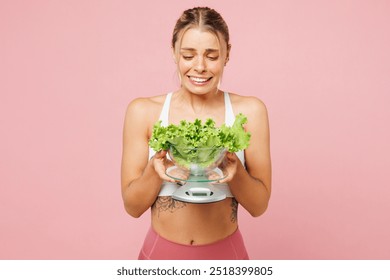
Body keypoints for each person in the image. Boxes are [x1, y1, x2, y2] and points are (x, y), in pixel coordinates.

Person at [121, 7, 271, 260]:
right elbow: (132, 207)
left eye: (212, 56)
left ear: (227, 55)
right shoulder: (143, 112)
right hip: (160, 256)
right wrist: (154, 171)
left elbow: (259, 206)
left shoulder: (250, 111)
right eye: (188, 55)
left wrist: (235, 172)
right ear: (174, 53)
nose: (199, 67)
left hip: (227, 257)